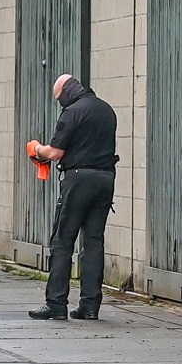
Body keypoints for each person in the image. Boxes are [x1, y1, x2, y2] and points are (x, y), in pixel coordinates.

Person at [27, 74, 118, 321]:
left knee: (63, 240)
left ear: (66, 92)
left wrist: (36, 149)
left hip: (78, 179)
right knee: (93, 242)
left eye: (59, 98)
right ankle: (90, 306)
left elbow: (55, 153)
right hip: (105, 178)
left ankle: (56, 304)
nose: (60, 103)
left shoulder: (72, 112)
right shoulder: (106, 110)